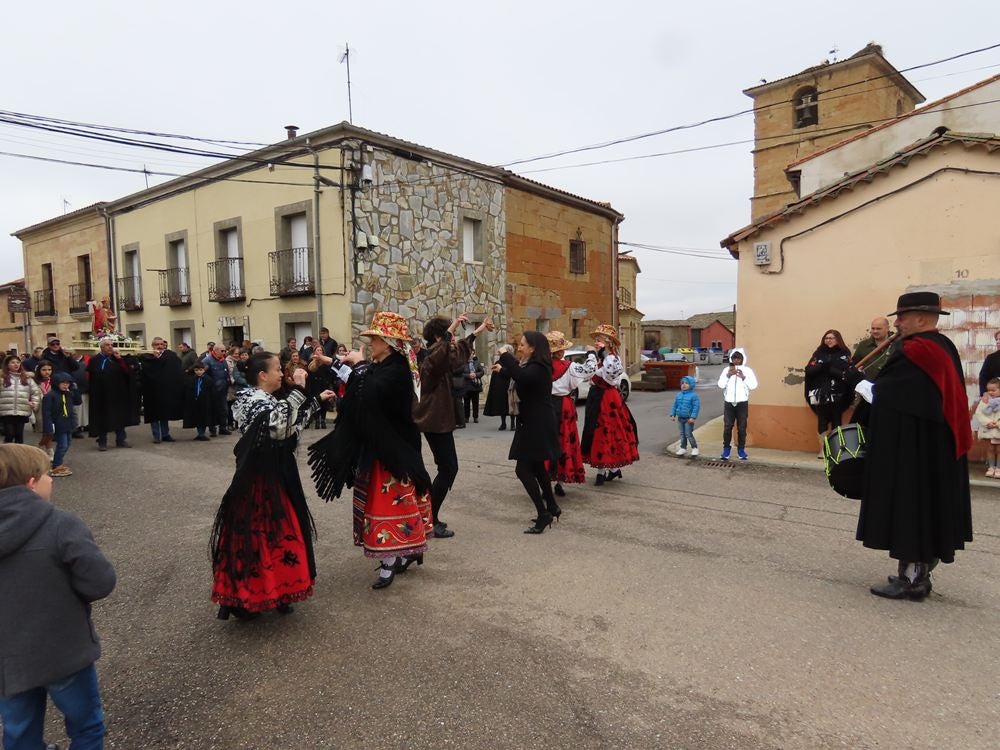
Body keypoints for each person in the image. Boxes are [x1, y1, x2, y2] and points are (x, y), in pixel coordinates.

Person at [843, 291, 973, 600]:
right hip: (933, 446)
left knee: (912, 507)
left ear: (921, 318)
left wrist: (856, 381)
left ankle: (911, 580)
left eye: (902, 317)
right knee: (924, 506)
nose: (897, 323)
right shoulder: (943, 348)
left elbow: (888, 397)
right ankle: (918, 574)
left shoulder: (918, 352)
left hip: (916, 450)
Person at [0, 444, 117, 750]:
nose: (52, 480)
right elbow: (100, 582)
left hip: (7, 657)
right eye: (47, 474)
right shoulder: (60, 524)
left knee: (19, 731)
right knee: (86, 727)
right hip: (62, 649)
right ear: (30, 482)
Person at [308, 312, 433, 590]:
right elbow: (358, 382)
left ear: (388, 342)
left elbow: (370, 388)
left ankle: (391, 559)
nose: (371, 343)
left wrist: (360, 363)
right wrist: (335, 363)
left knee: (389, 501)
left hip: (393, 448)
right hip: (382, 446)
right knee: (390, 499)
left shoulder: (397, 368)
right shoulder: (382, 364)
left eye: (374, 339)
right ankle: (402, 553)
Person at [211, 352, 336, 620]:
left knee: (282, 536)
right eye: (278, 370)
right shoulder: (250, 400)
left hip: (277, 475)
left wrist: (315, 401)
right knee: (257, 537)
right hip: (256, 480)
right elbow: (279, 427)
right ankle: (250, 598)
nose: (282, 374)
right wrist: (300, 389)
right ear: (262, 376)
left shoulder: (267, 399)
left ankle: (281, 591)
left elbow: (291, 426)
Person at [412, 314, 492, 538]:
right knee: (448, 468)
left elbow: (458, 355)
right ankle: (429, 518)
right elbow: (440, 355)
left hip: (439, 421)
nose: (454, 337)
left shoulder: (441, 355)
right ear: (440, 337)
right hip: (434, 421)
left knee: (447, 468)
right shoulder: (430, 358)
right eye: (450, 334)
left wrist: (478, 331)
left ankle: (429, 516)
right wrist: (451, 330)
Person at [495, 331, 560, 534]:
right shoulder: (532, 367)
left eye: (522, 344)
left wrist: (506, 355)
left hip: (537, 424)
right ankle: (552, 506)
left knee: (522, 470)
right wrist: (503, 369)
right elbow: (520, 376)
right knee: (538, 466)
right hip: (533, 422)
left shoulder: (539, 367)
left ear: (533, 348)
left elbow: (523, 376)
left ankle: (543, 514)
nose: (519, 347)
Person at [581, 324, 639, 485]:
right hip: (596, 396)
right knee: (595, 430)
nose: (597, 342)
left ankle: (603, 471)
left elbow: (609, 376)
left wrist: (598, 355)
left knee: (605, 432)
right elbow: (588, 376)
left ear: (608, 342)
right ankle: (610, 470)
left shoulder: (612, 358)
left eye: (600, 339)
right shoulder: (601, 358)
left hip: (607, 398)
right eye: (596, 340)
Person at [546, 332, 595, 495]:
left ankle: (544, 479)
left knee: (546, 441)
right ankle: (560, 480)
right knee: (564, 441)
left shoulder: (541, 366)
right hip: (564, 406)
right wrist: (591, 354)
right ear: (559, 352)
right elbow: (590, 370)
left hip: (546, 406)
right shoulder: (569, 366)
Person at [804, 330, 853, 459]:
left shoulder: (844, 354)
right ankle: (823, 450)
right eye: (826, 338)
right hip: (821, 393)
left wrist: (832, 370)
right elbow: (809, 370)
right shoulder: (819, 354)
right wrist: (823, 365)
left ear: (838, 340)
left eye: (832, 338)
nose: (829, 340)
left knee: (837, 419)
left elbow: (847, 372)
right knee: (822, 420)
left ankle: (836, 449)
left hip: (838, 393)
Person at [87, 337, 139, 451]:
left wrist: (120, 359)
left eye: (111, 345)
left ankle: (120, 440)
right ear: (101, 347)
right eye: (107, 345)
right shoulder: (94, 360)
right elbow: (91, 377)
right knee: (102, 419)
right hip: (101, 395)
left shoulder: (117, 359)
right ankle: (102, 441)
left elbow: (127, 372)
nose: (110, 347)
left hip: (117, 394)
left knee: (119, 418)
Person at [140, 337, 184, 444]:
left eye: (161, 344)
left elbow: (176, 369)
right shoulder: (147, 356)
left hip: (166, 390)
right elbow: (145, 371)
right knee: (154, 414)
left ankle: (165, 434)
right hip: (152, 391)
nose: (159, 346)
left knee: (165, 413)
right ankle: (156, 436)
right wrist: (155, 359)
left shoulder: (171, 355)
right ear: (152, 345)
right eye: (157, 344)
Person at [717, 348, 757, 461]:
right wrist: (728, 375)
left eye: (738, 358)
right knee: (727, 427)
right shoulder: (726, 370)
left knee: (742, 427)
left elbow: (754, 385)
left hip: (742, 403)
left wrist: (744, 378)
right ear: (731, 359)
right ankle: (726, 449)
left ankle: (741, 450)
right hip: (729, 403)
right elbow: (720, 385)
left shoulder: (748, 370)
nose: (736, 360)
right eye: (734, 358)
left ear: (742, 359)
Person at [42, 372, 81, 477]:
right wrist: (49, 427)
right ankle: (57, 465)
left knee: (67, 443)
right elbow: (46, 413)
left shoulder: (68, 393)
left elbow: (78, 402)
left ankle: (57, 462)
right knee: (62, 445)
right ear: (56, 383)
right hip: (58, 424)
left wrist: (75, 389)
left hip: (67, 423)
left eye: (68, 383)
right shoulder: (50, 396)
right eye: (63, 383)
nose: (66, 385)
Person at [0, 355, 40, 444]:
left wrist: (34, 403)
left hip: (22, 410)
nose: (16, 364)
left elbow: (35, 393)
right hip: (6, 411)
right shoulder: (2, 378)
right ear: (7, 365)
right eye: (13, 362)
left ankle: (18, 456)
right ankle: (6, 454)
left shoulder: (27, 378)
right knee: (9, 434)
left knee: (19, 435)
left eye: (18, 362)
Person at [202, 343, 232, 436]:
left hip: (223, 389)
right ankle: (212, 429)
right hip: (212, 390)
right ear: (215, 350)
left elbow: (226, 372)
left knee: (224, 409)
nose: (224, 353)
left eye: (225, 351)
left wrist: (228, 380)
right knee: (212, 410)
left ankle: (223, 427)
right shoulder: (207, 360)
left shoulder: (223, 360)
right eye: (222, 351)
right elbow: (203, 374)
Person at [973, 377, 1000, 478]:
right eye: (989, 390)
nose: (991, 392)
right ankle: (991, 467)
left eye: (994, 390)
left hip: (998, 430)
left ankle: (998, 468)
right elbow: (979, 413)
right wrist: (988, 422)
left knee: (999, 449)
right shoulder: (984, 401)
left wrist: (997, 424)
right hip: (989, 429)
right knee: (990, 449)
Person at [183, 361, 215, 441]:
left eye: (200, 370)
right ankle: (200, 433)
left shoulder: (208, 380)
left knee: (203, 418)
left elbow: (212, 392)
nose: (199, 372)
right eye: (196, 370)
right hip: (195, 402)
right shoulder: (192, 379)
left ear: (204, 370)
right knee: (197, 418)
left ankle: (202, 433)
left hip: (205, 402)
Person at [482, 346, 512, 430]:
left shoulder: (512, 361)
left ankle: (513, 424)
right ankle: (503, 423)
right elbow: (495, 377)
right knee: (503, 406)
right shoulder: (498, 362)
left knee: (512, 405)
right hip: (501, 388)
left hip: (511, 386)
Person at [671, 375, 701, 457]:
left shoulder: (693, 396)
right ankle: (683, 448)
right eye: (682, 383)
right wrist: (673, 414)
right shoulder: (678, 395)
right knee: (682, 434)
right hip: (680, 418)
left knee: (688, 434)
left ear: (691, 384)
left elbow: (696, 407)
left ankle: (694, 448)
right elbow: (675, 405)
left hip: (689, 419)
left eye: (687, 383)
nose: (684, 385)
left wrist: (693, 417)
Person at [32, 361, 54, 452]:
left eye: (49, 369)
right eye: (44, 370)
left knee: (50, 432)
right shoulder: (34, 382)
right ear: (39, 370)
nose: (47, 372)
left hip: (53, 409)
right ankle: (48, 450)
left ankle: (42, 448)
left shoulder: (55, 380)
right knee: (46, 432)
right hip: (40, 409)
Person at [462, 353, 485, 424]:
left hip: (475, 386)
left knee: (475, 402)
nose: (470, 355)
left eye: (472, 353)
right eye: (469, 354)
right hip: (466, 386)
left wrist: (476, 375)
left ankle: (475, 417)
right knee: (466, 403)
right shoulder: (463, 362)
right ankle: (466, 417)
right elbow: (461, 373)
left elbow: (482, 371)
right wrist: (468, 375)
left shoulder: (477, 362)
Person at [978, 330, 1000, 395]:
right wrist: (984, 393)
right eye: (997, 339)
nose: (998, 342)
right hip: (994, 398)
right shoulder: (991, 358)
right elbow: (983, 377)